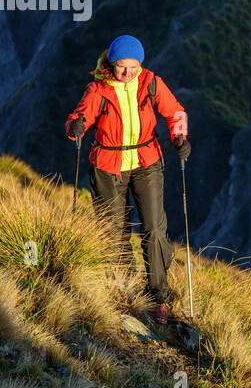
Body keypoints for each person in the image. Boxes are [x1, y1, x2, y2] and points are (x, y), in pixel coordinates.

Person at [65, 34, 191, 324]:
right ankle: (127, 290)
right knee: (113, 231)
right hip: (108, 165)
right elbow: (77, 117)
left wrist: (180, 138)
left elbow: (175, 112)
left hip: (147, 160)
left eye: (133, 67)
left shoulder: (150, 82)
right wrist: (76, 127)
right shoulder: (98, 89)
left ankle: (159, 296)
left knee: (154, 229)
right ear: (112, 63)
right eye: (122, 67)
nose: (128, 74)